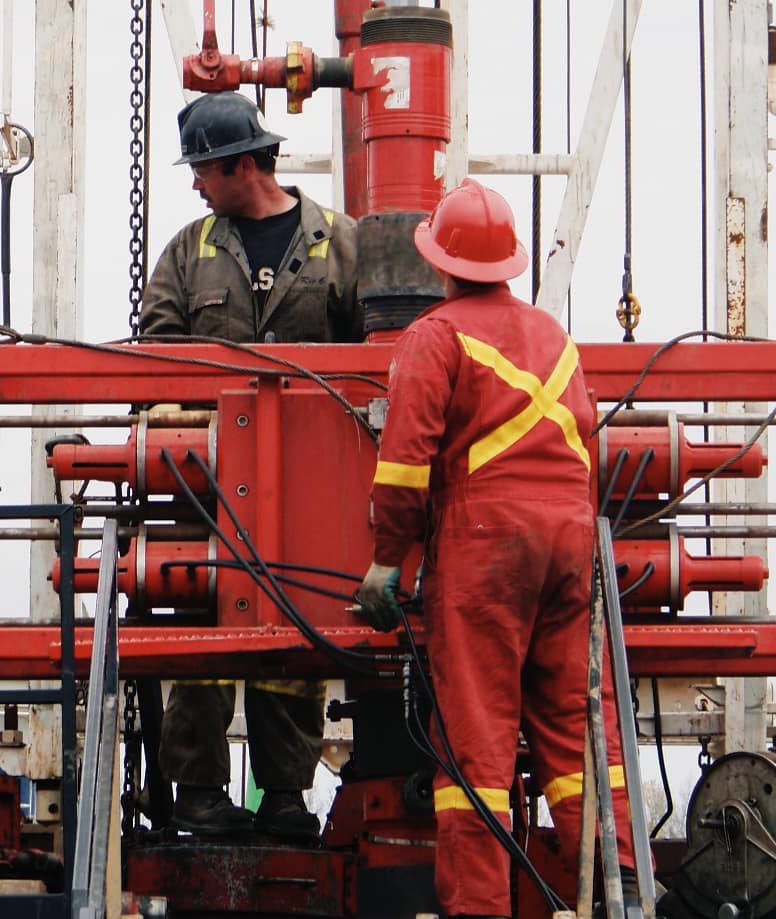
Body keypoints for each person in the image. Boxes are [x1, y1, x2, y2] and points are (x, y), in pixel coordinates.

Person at [356, 179, 637, 918]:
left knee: (476, 744)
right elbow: (587, 443)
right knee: (576, 732)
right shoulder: (555, 337)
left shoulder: (435, 336)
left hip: (485, 548)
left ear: (440, 265)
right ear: (508, 264)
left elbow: (403, 461)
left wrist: (389, 558)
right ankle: (620, 883)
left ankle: (481, 907)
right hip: (572, 542)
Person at [140, 91, 361, 841]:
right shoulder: (187, 251)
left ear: (242, 164)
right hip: (204, 486)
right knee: (203, 627)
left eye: (204, 168)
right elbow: (151, 359)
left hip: (307, 491)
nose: (196, 183)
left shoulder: (342, 242)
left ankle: (285, 796)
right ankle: (198, 790)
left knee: (292, 637)